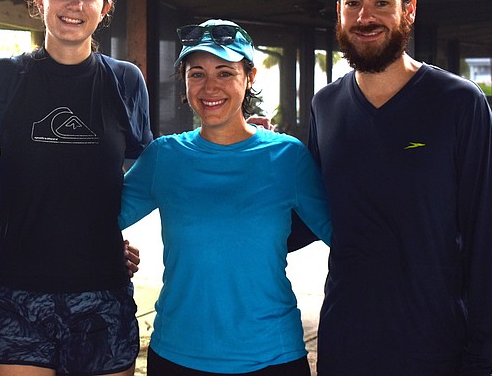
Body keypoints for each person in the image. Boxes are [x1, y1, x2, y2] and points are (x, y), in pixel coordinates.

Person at [290, 0, 492, 375]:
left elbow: (485, 236)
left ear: (409, 10)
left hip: (435, 346)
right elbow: (308, 217)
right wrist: (250, 157)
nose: (365, 16)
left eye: (381, 1)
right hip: (345, 341)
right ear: (340, 12)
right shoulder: (326, 105)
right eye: (352, 2)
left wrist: (483, 354)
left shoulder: (459, 102)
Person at [0, 0, 153, 376]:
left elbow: (156, 168)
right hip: (14, 291)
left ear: (105, 8)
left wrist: (232, 135)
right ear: (39, 0)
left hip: (101, 291)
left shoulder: (124, 80)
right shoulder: (3, 76)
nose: (74, 4)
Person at [119, 19, 332, 376]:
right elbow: (95, 220)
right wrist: (108, 252)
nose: (210, 87)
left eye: (225, 72)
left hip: (273, 356)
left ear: (250, 77)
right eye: (197, 74)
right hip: (177, 355)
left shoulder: (287, 157)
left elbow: (348, 238)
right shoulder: (164, 157)